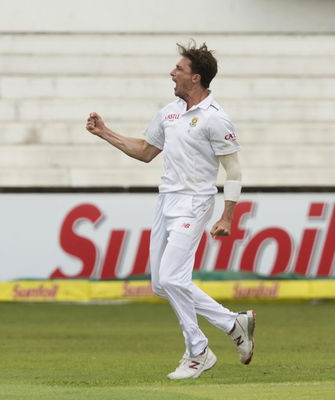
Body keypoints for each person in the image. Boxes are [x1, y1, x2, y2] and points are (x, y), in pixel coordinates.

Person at [85, 40, 255, 380]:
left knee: (173, 277)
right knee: (162, 283)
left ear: (196, 78)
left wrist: (227, 215)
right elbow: (147, 150)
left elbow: (233, 170)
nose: (172, 72)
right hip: (166, 201)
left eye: (179, 69)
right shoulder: (169, 112)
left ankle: (198, 351)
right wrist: (105, 132)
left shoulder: (216, 118)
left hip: (195, 202)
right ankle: (232, 322)